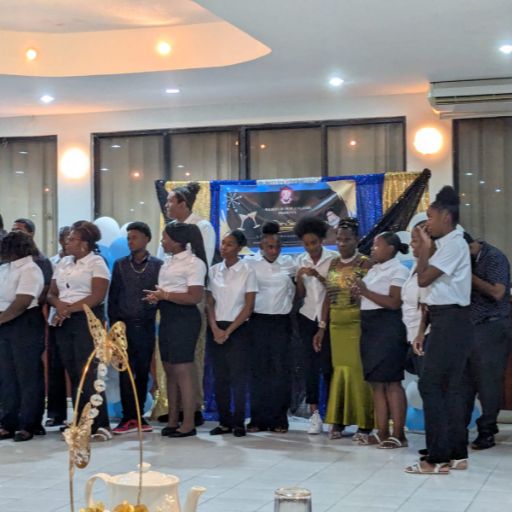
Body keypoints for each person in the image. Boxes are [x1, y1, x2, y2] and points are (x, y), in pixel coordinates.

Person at [406, 186, 473, 474]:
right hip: (445, 320)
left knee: (430, 385)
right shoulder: (448, 244)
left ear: (446, 216)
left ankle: (436, 458)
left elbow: (423, 280)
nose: (427, 224)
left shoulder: (454, 244)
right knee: (448, 388)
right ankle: (455, 452)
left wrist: (423, 247)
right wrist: (423, 329)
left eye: (431, 217)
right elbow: (431, 295)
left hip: (451, 321)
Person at [47, 221, 112, 441]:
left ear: (85, 244)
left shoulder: (97, 262)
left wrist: (69, 309)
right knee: (74, 372)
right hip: (64, 320)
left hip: (86, 319)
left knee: (90, 372)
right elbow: (51, 293)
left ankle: (100, 423)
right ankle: (80, 421)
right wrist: (59, 306)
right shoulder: (63, 262)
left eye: (72, 239)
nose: (67, 242)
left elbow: (97, 296)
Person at [144, 222, 207, 438]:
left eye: (165, 238)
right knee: (169, 368)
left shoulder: (194, 263)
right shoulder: (167, 262)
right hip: (168, 316)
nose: (162, 241)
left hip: (185, 318)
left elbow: (194, 296)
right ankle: (172, 419)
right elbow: (167, 291)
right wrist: (158, 297)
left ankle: (188, 423)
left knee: (183, 369)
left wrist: (166, 296)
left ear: (177, 241)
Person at [313, 218, 374, 440]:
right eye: (338, 239)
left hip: (356, 323)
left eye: (346, 239)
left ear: (356, 239)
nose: (341, 243)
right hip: (336, 325)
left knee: (357, 372)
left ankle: (364, 424)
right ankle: (338, 421)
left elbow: (369, 295)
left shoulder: (365, 263)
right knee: (339, 372)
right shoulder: (333, 264)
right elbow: (328, 297)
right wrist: (322, 327)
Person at [162, 181, 216, 426]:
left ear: (183, 204)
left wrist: (171, 294)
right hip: (169, 306)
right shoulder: (170, 240)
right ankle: (175, 411)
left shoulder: (201, 227)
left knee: (189, 358)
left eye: (170, 201)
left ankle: (193, 409)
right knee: (171, 362)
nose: (166, 205)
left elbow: (204, 264)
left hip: (191, 298)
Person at [352, 232, 409, 448]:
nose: (372, 249)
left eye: (377, 245)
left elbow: (394, 302)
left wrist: (365, 292)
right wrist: (358, 293)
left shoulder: (398, 270)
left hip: (388, 327)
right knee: (376, 382)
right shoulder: (373, 270)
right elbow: (367, 298)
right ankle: (382, 431)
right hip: (370, 327)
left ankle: (399, 434)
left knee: (392, 382)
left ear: (391, 249)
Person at [108, 222, 162, 435]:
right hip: (124, 326)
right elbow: (113, 297)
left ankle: (139, 416)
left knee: (142, 371)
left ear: (146, 239)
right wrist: (114, 327)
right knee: (125, 372)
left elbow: (161, 295)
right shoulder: (120, 265)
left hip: (146, 325)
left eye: (135, 237)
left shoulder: (158, 265)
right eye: (128, 238)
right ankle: (127, 417)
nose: (130, 241)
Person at [245, 221, 296, 433]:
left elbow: (296, 290)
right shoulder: (250, 263)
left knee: (280, 371)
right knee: (259, 370)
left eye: (277, 247)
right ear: (261, 246)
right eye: (270, 247)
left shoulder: (289, 263)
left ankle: (279, 418)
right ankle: (258, 418)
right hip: (258, 321)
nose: (274, 251)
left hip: (281, 322)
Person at [206, 230, 258, 438]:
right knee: (220, 376)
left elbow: (249, 306)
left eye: (229, 244)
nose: (224, 247)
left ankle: (238, 421)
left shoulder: (247, 271)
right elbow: (209, 303)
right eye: (223, 243)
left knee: (238, 376)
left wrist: (228, 331)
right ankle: (224, 421)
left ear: (239, 247)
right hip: (216, 327)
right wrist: (214, 328)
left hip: (238, 328)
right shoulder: (214, 270)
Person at [463, 232, 510, 450]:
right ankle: (459, 430)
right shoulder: (466, 259)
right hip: (465, 328)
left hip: (491, 325)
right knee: (463, 383)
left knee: (488, 382)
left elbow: (498, 292)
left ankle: (487, 430)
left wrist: (468, 276)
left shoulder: (493, 257)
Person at [0, 231, 45, 442]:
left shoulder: (30, 269)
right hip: (5, 322)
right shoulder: (5, 268)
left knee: (27, 375)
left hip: (24, 322)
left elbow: (22, 301)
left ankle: (29, 424)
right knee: (7, 375)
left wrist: (2, 319)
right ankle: (8, 422)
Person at [294, 216, 336, 434]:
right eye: (306, 244)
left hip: (329, 319)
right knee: (309, 367)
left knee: (329, 367)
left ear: (322, 240)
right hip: (307, 316)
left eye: (314, 243)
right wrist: (299, 278)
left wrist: (318, 276)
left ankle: (333, 414)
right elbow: (300, 295)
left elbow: (335, 290)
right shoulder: (301, 260)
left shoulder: (333, 259)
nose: (310, 248)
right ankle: (314, 414)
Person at [45, 226, 71, 428]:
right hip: (55, 317)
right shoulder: (53, 261)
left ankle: (80, 414)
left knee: (77, 367)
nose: (67, 242)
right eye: (64, 238)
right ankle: (56, 413)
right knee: (55, 367)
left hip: (75, 315)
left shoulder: (89, 262)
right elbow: (49, 291)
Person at [12, 218, 53, 305]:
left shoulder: (41, 261)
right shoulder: (10, 257)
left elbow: (45, 288)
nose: (14, 234)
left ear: (30, 234)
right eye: (13, 230)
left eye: (18, 230)